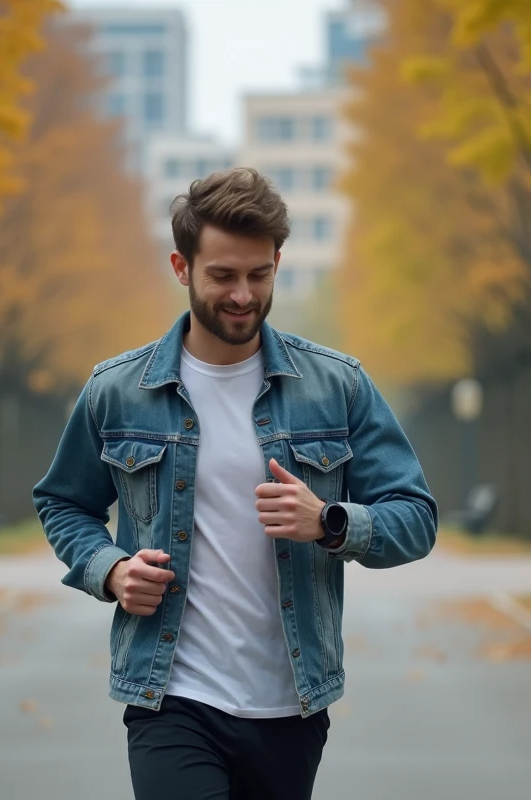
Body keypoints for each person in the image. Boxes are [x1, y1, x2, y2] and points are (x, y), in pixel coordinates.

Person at [32, 167, 438, 800]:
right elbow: (63, 501)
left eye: (259, 274)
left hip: (290, 705)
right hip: (170, 695)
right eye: (222, 275)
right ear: (182, 267)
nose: (243, 294)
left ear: (277, 262)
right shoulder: (117, 391)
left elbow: (415, 516)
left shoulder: (338, 385)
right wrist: (109, 569)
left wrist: (330, 523)